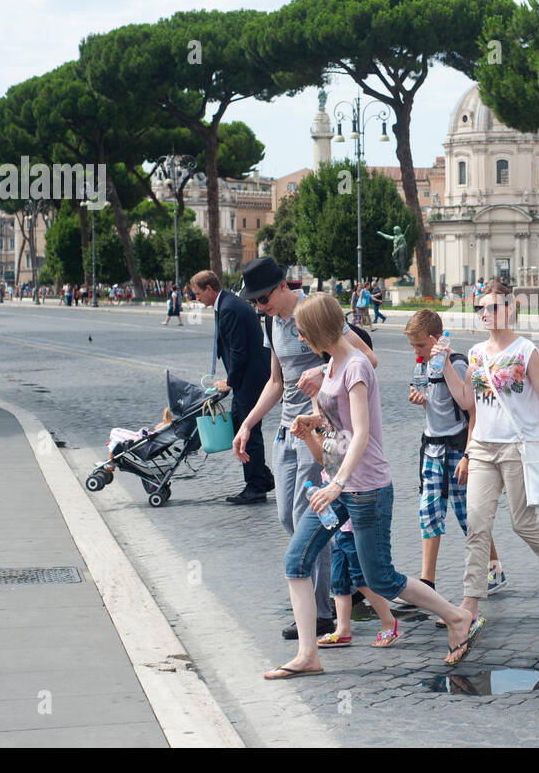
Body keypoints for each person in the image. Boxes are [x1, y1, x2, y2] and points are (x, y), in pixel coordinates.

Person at [266, 292, 484, 678]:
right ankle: (308, 655)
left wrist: (337, 484)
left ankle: (456, 616)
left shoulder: (355, 368)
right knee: (294, 561)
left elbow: (362, 433)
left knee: (381, 577)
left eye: (303, 332)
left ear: (317, 329)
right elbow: (336, 435)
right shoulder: (330, 368)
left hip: (366, 489)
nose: (300, 339)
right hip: (337, 486)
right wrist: (310, 425)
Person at [231, 258, 379, 641]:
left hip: (325, 431)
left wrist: (324, 368)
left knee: (311, 517)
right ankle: (344, 585)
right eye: (254, 303)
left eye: (262, 299)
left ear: (282, 286)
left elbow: (368, 359)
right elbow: (277, 382)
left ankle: (320, 612)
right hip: (288, 429)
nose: (259, 307)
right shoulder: (272, 323)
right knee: (287, 516)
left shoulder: (315, 313)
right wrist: (248, 423)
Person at [437, 279, 539, 617]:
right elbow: (465, 400)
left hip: (517, 448)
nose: (486, 314)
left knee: (523, 522)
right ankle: (470, 601)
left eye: (493, 307)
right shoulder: (475, 353)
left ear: (511, 308)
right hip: (482, 449)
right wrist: (446, 363)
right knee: (477, 524)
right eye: (481, 308)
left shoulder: (525, 350)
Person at [405, 309, 505, 601]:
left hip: (457, 450)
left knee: (468, 516)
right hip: (432, 449)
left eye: (420, 345)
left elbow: (473, 412)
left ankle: (494, 568)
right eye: (412, 346)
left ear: (437, 339)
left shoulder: (458, 365)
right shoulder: (422, 366)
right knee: (429, 512)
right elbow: (435, 407)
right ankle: (427, 581)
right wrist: (422, 401)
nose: (416, 351)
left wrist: (468, 455)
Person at [192, 267, 275, 504]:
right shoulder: (228, 303)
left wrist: (229, 383)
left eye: (198, 293)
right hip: (251, 376)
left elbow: (239, 351)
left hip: (250, 378)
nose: (196, 298)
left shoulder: (229, 308)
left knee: (247, 431)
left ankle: (257, 486)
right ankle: (263, 477)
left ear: (209, 288)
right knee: (244, 426)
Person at [317, 514, 401, 649]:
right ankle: (343, 629)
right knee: (338, 580)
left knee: (360, 579)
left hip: (356, 529)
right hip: (341, 528)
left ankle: (388, 621)